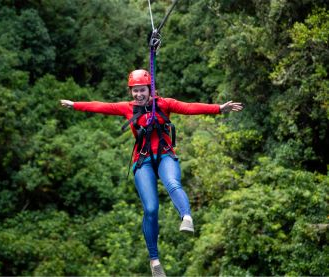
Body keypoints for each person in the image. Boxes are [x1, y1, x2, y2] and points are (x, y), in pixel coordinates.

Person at [60, 69, 243, 277]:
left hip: (165, 155)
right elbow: (100, 106)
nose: (138, 94)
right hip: (143, 161)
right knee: (150, 209)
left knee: (173, 183)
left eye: (142, 90)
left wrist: (219, 108)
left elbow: (189, 107)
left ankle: (186, 217)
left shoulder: (164, 104)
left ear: (150, 89)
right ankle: (154, 260)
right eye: (135, 91)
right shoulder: (128, 108)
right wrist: (75, 105)